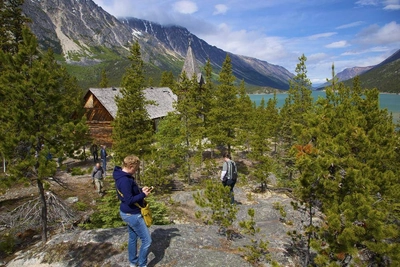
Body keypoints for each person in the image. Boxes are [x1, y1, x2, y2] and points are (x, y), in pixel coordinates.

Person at [113, 155, 152, 267]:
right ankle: (142, 264)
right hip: (132, 214)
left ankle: (132, 263)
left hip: (127, 212)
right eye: (136, 168)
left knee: (133, 238)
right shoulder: (125, 180)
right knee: (147, 241)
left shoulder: (121, 176)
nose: (136, 170)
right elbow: (129, 200)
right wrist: (143, 195)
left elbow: (128, 194)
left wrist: (140, 191)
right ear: (130, 166)